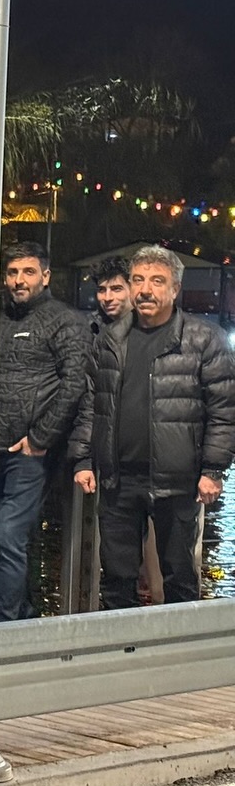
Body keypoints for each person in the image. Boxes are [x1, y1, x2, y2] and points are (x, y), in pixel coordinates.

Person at [70, 246, 235, 609]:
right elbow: (92, 402)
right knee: (116, 577)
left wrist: (213, 470)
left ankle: (180, 643)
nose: (145, 289)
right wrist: (82, 459)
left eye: (157, 281)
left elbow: (224, 410)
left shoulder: (204, 339)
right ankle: (119, 642)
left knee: (179, 576)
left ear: (175, 289)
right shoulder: (110, 338)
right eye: (138, 280)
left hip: (178, 480)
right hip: (118, 480)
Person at [0, 240, 90, 623]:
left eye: (28, 272)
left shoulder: (65, 321)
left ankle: (0, 625)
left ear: (45, 276)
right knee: (1, 539)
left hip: (30, 454)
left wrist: (41, 438)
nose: (19, 280)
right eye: (12, 272)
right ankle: (24, 616)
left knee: (8, 537)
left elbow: (74, 383)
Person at [92, 256, 132, 336]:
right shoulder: (91, 327)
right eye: (102, 290)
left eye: (116, 289)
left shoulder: (151, 326)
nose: (107, 298)